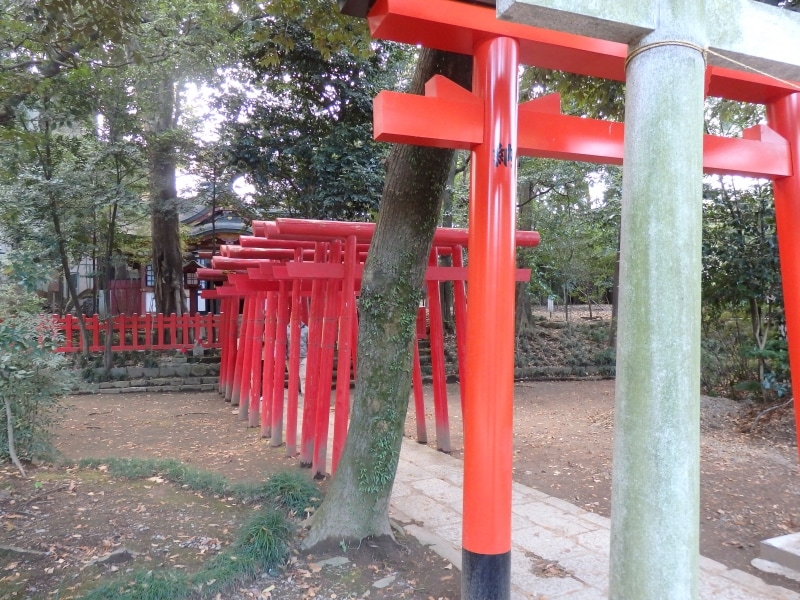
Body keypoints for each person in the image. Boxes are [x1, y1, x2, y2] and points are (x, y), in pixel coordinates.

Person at [287, 321, 308, 395]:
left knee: (304, 376)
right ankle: (294, 393)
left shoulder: (306, 329)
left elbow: (309, 343)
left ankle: (304, 393)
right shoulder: (287, 329)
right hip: (290, 357)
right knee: (293, 377)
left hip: (303, 356)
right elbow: (285, 343)